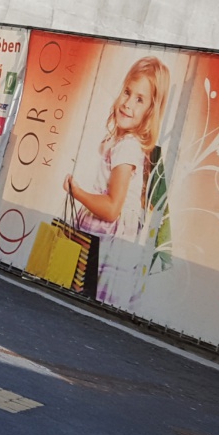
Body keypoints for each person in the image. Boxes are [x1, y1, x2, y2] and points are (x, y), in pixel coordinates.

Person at [64, 56, 169, 305]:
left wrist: (76, 192)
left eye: (140, 99)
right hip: (106, 239)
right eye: (127, 92)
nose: (128, 104)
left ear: (150, 112)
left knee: (88, 297)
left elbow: (112, 209)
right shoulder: (122, 143)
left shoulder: (127, 147)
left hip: (107, 243)